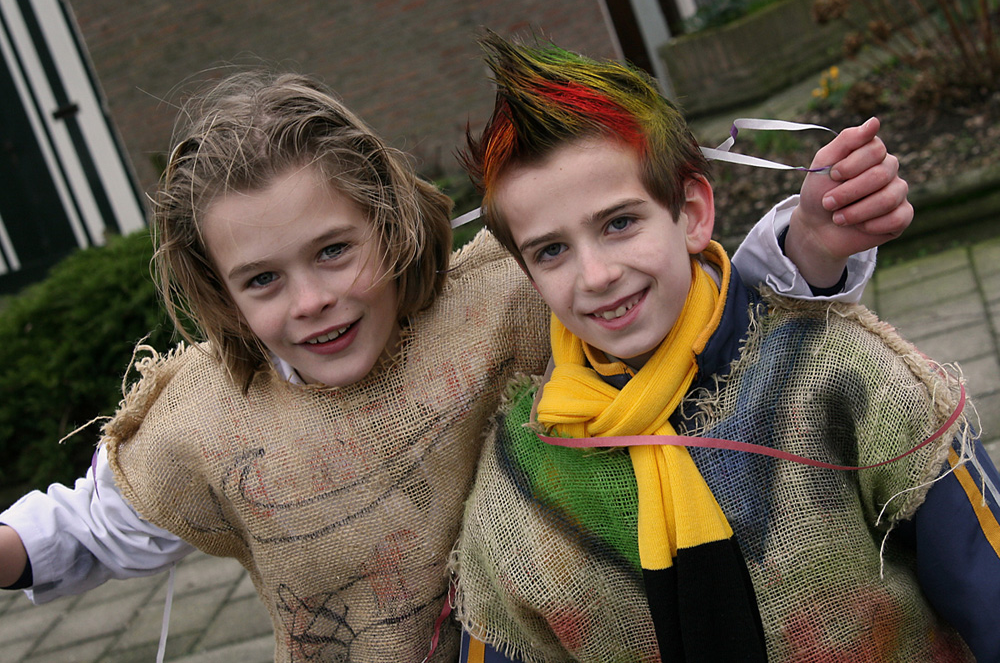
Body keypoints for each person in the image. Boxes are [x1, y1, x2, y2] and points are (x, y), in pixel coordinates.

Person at [0, 68, 911, 663]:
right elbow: (96, 525)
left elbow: (689, 315)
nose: (311, 299)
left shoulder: (497, 302)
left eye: (333, 251)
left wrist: (812, 241)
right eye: (263, 279)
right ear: (222, 295)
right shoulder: (207, 419)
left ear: (388, 222)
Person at [452, 33, 1000, 663]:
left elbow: (985, 581)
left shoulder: (843, 378)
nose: (596, 275)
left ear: (690, 213)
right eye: (552, 251)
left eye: (619, 223)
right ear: (528, 275)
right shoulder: (520, 486)